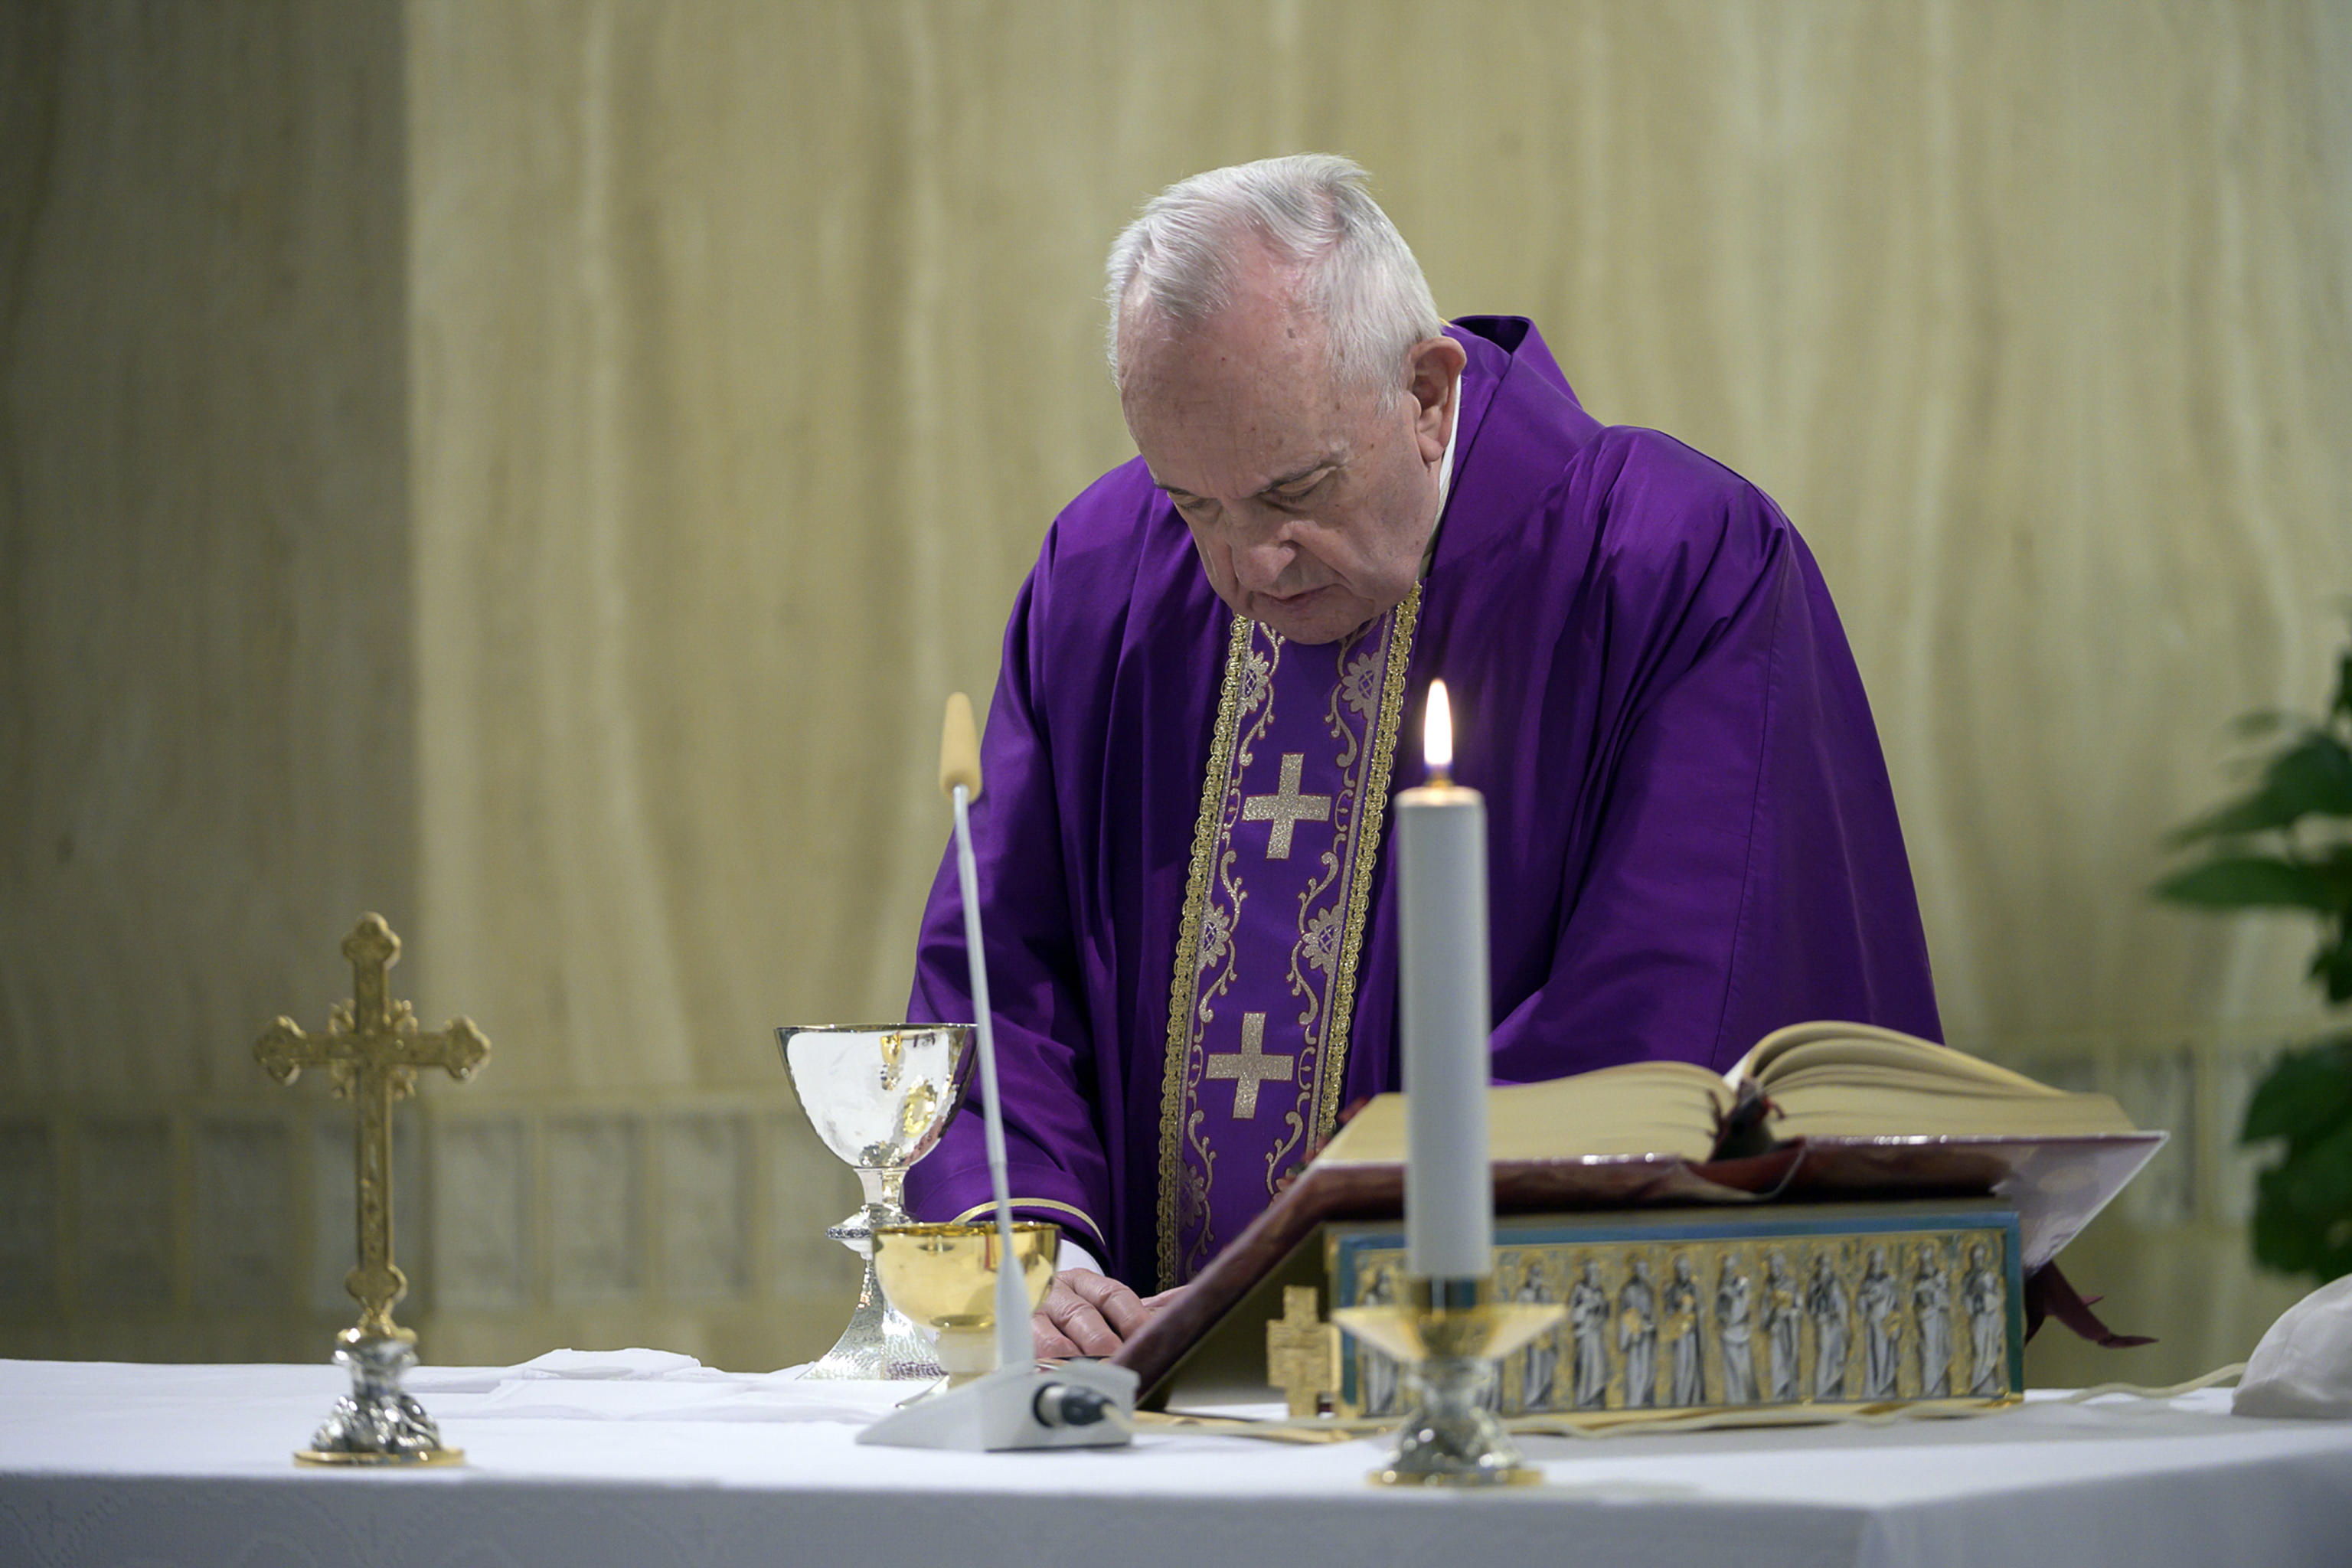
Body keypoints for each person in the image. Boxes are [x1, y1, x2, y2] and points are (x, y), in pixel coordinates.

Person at [901, 155, 1941, 1358]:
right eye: (1195, 504)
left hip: (1534, 1408)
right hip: (1159, 1431)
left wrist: (1314, 1278)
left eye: (1295, 489)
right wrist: (1043, 1258)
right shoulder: (1103, 577)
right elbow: (997, 974)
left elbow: (1675, 1012)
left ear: (1429, 392)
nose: (1250, 569)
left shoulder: (1672, 562)